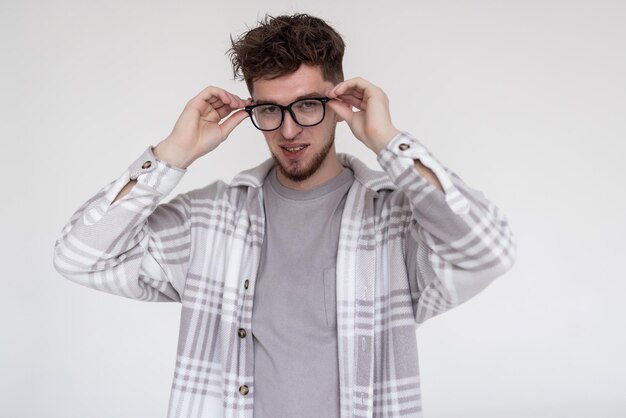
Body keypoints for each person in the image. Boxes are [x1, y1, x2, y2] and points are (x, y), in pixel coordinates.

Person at [53, 13, 516, 418]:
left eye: (307, 106)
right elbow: (81, 257)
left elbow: (487, 253)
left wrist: (388, 140)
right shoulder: (211, 219)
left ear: (339, 106)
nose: (289, 129)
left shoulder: (393, 219)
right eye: (270, 110)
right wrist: (172, 155)